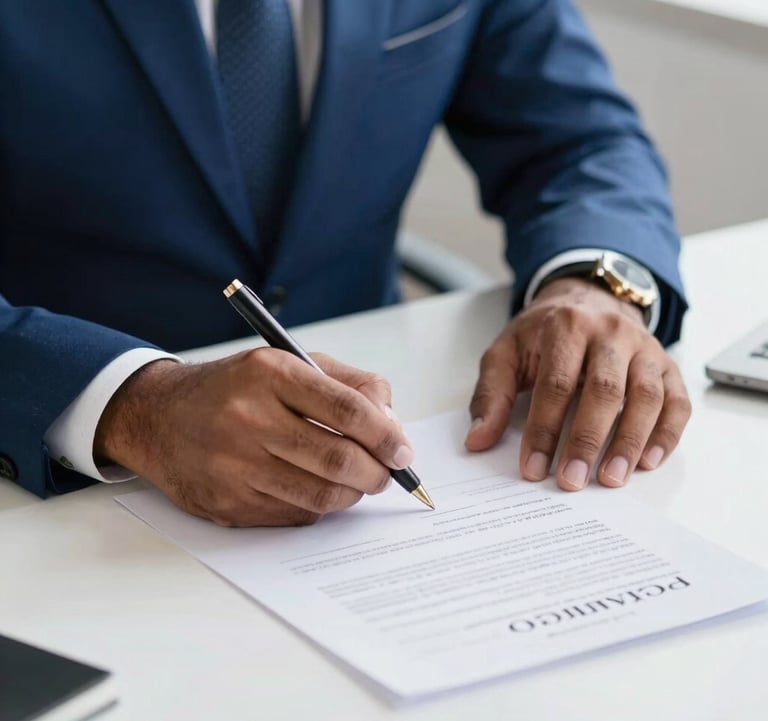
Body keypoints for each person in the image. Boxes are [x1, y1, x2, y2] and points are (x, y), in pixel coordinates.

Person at [0, 0, 691, 527]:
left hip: (379, 456)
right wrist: (133, 406)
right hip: (64, 502)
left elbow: (582, 140)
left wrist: (595, 284)